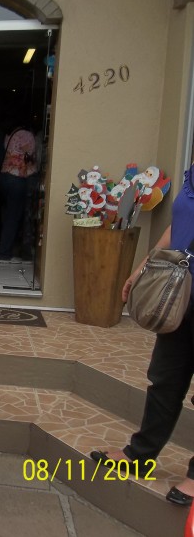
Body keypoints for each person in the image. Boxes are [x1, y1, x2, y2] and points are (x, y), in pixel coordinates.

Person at [90, 163, 194, 506]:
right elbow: (178, 225)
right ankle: (140, 454)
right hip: (179, 294)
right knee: (165, 378)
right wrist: (143, 267)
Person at [0, 118, 37, 263]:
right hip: (17, 178)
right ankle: (5, 253)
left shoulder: (9, 135)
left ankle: (6, 249)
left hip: (4, 176)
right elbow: (30, 156)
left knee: (9, 214)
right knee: (14, 217)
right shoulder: (27, 135)